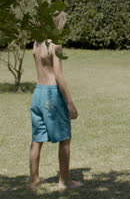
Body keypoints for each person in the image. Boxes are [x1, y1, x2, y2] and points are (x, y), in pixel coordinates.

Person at [29, 12, 82, 189]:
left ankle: (34, 180)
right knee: (65, 138)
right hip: (52, 94)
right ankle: (64, 181)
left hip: (37, 93)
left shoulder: (36, 44)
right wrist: (70, 103)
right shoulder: (55, 46)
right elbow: (58, 76)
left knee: (37, 139)